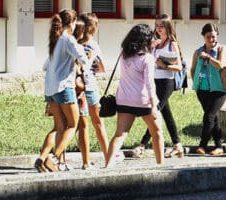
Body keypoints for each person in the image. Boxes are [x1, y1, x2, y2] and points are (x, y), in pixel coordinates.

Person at [105, 24, 164, 167]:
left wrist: (152, 44)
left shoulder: (124, 54)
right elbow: (150, 84)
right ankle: (160, 164)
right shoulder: (147, 59)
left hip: (124, 99)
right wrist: (153, 104)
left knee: (120, 134)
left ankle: (107, 165)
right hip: (143, 101)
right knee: (156, 132)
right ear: (146, 40)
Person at [36, 9, 88, 172]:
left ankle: (42, 157)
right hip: (64, 87)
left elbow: (45, 66)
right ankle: (53, 158)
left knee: (59, 127)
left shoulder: (55, 40)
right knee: (73, 124)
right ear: (72, 23)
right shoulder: (68, 40)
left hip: (50, 89)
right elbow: (84, 59)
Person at [133, 14, 185, 159]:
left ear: (168, 27)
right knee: (167, 114)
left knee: (153, 112)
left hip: (166, 83)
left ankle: (142, 145)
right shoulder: (156, 43)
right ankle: (178, 145)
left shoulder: (172, 44)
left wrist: (165, 65)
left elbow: (179, 67)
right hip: (154, 81)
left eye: (161, 26)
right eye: (157, 26)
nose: (158, 29)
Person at [74, 13, 110, 170]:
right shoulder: (93, 45)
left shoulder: (73, 42)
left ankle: (85, 162)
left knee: (83, 126)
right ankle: (108, 157)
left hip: (77, 87)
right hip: (90, 87)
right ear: (94, 28)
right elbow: (102, 68)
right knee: (98, 123)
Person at [190, 23, 226, 156]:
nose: (211, 40)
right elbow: (193, 69)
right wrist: (197, 84)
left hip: (219, 89)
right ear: (203, 37)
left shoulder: (221, 49)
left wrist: (208, 57)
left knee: (209, 116)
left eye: (213, 36)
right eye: (208, 37)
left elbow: (221, 65)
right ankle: (219, 146)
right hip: (203, 89)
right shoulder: (198, 51)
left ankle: (203, 145)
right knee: (214, 118)